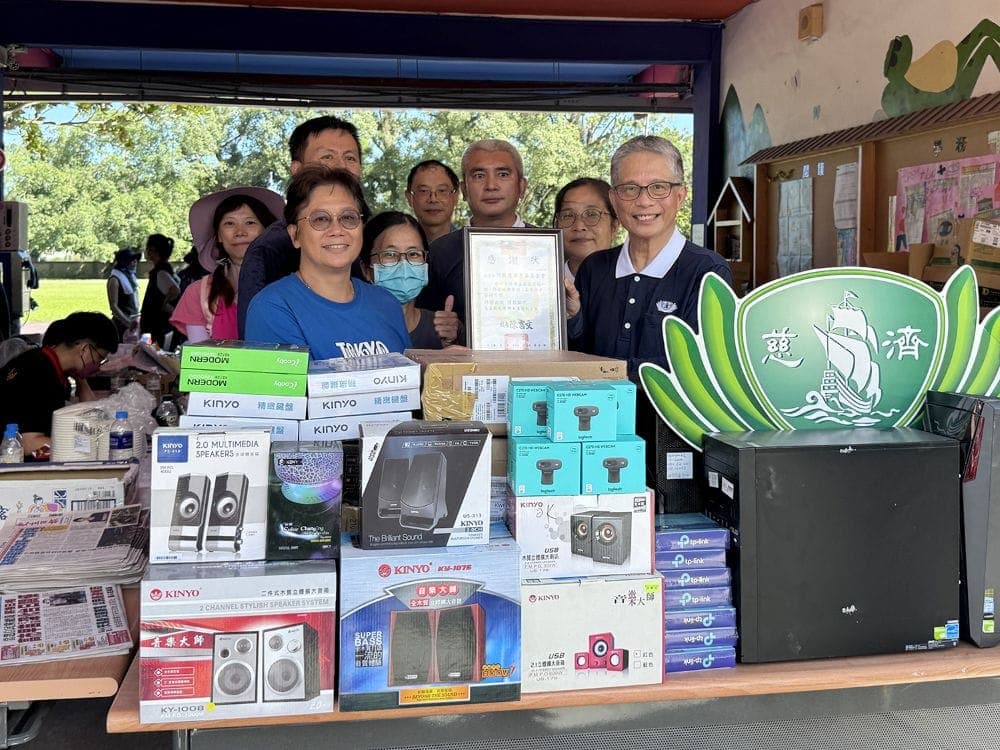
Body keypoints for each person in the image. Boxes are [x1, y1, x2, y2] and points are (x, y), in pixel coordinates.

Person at [566, 135, 731, 376]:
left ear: (680, 195)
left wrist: (604, 369)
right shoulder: (595, 267)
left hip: (667, 415)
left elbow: (699, 366)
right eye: (630, 189)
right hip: (594, 413)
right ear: (614, 199)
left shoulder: (707, 271)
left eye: (658, 188)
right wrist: (573, 318)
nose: (644, 201)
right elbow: (575, 355)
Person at [246, 165, 410, 360]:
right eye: (321, 219)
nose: (337, 230)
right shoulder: (272, 308)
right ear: (295, 235)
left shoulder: (387, 303)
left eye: (348, 217)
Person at [237, 115, 363, 337]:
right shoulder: (270, 251)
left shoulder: (361, 235)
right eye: (327, 157)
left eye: (350, 158)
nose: (341, 167)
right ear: (296, 169)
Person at [416, 139, 532, 327]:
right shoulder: (440, 252)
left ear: (522, 186)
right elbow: (426, 326)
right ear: (464, 190)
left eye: (503, 174)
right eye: (479, 176)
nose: (491, 185)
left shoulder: (549, 248)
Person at [171, 187, 282, 343]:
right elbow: (201, 360)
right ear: (219, 237)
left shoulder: (291, 287)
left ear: (267, 232)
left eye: (250, 223)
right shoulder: (199, 293)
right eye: (229, 223)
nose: (240, 232)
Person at [0, 312, 117, 456]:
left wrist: (80, 377)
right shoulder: (39, 374)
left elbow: (92, 415)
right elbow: (29, 444)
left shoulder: (45, 362)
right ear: (85, 349)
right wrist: (86, 446)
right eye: (100, 358)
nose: (98, 366)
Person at [359, 211, 461, 349]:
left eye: (413, 254)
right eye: (390, 254)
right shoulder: (352, 329)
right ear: (366, 269)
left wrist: (450, 343)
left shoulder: (447, 328)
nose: (404, 264)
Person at [553, 177, 620, 280]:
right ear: (556, 226)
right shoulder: (543, 285)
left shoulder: (634, 285)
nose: (579, 226)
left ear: (614, 227)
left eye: (592, 214)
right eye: (568, 215)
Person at [139, 233, 181, 348]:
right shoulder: (165, 269)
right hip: (158, 327)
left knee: (150, 357)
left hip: (155, 328)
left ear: (153, 250)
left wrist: (165, 303)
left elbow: (175, 290)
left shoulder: (160, 272)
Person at [405, 160, 460, 243]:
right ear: (409, 197)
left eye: (442, 191)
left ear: (455, 197)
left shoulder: (470, 246)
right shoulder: (398, 247)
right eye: (424, 191)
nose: (433, 199)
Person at [106, 247, 140, 342]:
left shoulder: (130, 277)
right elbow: (113, 306)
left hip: (133, 321)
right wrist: (127, 322)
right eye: (131, 261)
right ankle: (186, 357)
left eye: (135, 260)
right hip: (122, 324)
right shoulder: (114, 280)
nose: (135, 263)